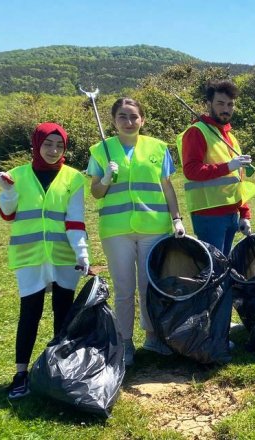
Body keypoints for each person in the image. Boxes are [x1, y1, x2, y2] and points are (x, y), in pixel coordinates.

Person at [89, 97, 186, 366]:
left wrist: (176, 218)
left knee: (149, 286)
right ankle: (125, 341)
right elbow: (96, 192)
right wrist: (106, 179)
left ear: (143, 119)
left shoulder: (157, 148)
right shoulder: (101, 150)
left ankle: (153, 337)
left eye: (134, 116)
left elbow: (167, 186)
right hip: (116, 230)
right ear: (113, 120)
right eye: (123, 116)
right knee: (123, 289)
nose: (129, 122)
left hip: (154, 227)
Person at [0, 122, 89, 399]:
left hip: (64, 255)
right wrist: (8, 192)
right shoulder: (16, 175)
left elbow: (75, 220)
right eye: (48, 144)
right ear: (36, 145)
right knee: (30, 313)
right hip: (30, 256)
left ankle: (61, 369)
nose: (53, 150)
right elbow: (7, 213)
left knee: (64, 313)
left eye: (59, 145)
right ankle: (21, 374)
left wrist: (82, 253)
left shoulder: (73, 178)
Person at [178, 79, 255, 255]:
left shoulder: (231, 137)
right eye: (220, 103)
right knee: (214, 271)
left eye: (230, 104)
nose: (226, 109)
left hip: (231, 213)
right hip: (208, 215)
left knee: (226, 268)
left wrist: (244, 213)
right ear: (208, 104)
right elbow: (191, 171)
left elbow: (238, 180)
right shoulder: (197, 132)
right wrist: (227, 166)